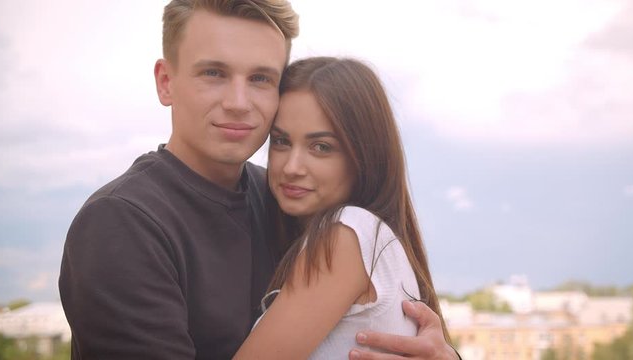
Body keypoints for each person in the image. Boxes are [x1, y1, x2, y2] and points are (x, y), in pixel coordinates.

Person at [59, 1, 458, 359]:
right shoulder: (123, 222)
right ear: (166, 81)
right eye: (214, 73)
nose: (238, 102)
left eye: (261, 79)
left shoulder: (289, 199)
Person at [232, 57, 460, 359]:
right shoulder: (375, 238)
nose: (291, 166)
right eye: (281, 141)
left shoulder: (345, 235)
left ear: (362, 155)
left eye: (321, 147)